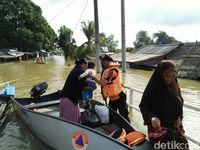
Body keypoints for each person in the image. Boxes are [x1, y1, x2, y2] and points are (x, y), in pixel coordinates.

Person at [139, 60, 189, 149]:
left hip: (175, 127)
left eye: (173, 76)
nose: (170, 79)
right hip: (160, 130)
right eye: (167, 75)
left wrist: (180, 117)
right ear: (160, 73)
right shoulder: (152, 88)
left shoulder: (175, 86)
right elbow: (143, 106)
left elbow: (180, 101)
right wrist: (152, 118)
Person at [91, 54, 130, 122]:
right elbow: (106, 85)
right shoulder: (106, 71)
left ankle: (130, 131)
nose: (101, 63)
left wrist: (93, 78)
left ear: (108, 62)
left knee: (124, 115)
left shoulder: (112, 71)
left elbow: (103, 83)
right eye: (101, 62)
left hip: (119, 97)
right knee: (112, 115)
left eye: (103, 62)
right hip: (112, 98)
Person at [59, 57, 96, 123]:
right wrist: (92, 88)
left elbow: (78, 84)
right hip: (70, 99)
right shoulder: (80, 71)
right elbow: (83, 86)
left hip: (65, 97)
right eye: (86, 65)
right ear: (84, 64)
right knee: (72, 121)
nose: (86, 68)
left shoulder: (75, 69)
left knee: (66, 119)